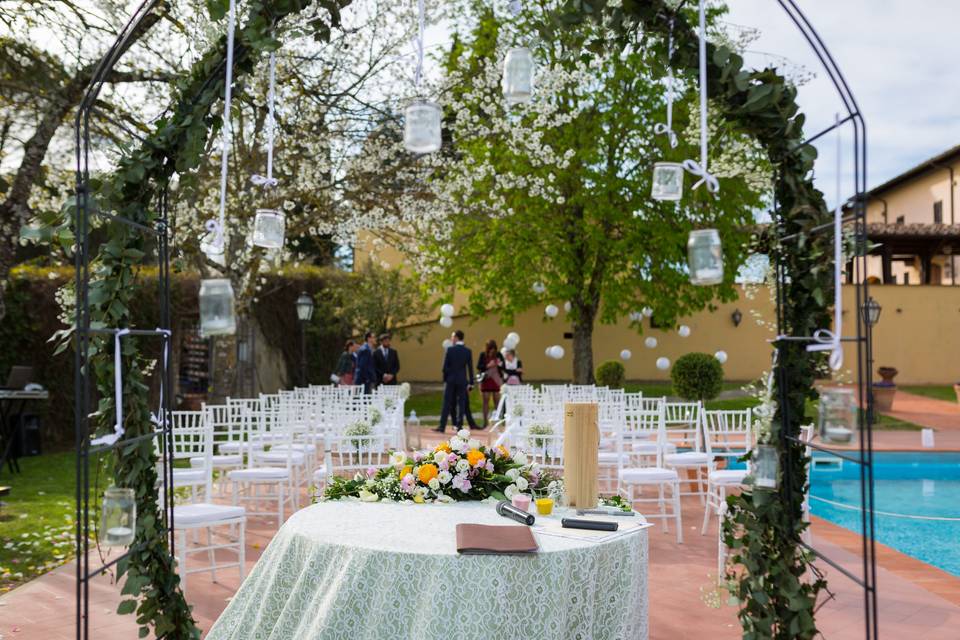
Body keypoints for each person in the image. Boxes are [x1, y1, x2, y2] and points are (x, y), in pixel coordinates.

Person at [436, 330, 477, 433]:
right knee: (461, 403)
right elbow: (470, 368)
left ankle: (442, 427)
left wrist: (446, 379)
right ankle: (459, 426)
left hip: (450, 380)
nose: (451, 339)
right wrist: (471, 383)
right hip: (462, 380)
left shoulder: (449, 350)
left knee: (447, 403)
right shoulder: (468, 351)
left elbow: (444, 368)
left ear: (457, 338)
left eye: (452, 337)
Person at [477, 339, 505, 427]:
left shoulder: (499, 354)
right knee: (486, 401)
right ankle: (485, 422)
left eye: (494, 348)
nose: (492, 350)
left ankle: (498, 421)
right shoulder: (483, 355)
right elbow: (479, 366)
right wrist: (488, 366)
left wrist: (499, 364)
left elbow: (503, 366)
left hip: (496, 380)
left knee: (497, 402)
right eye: (490, 348)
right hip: (486, 380)